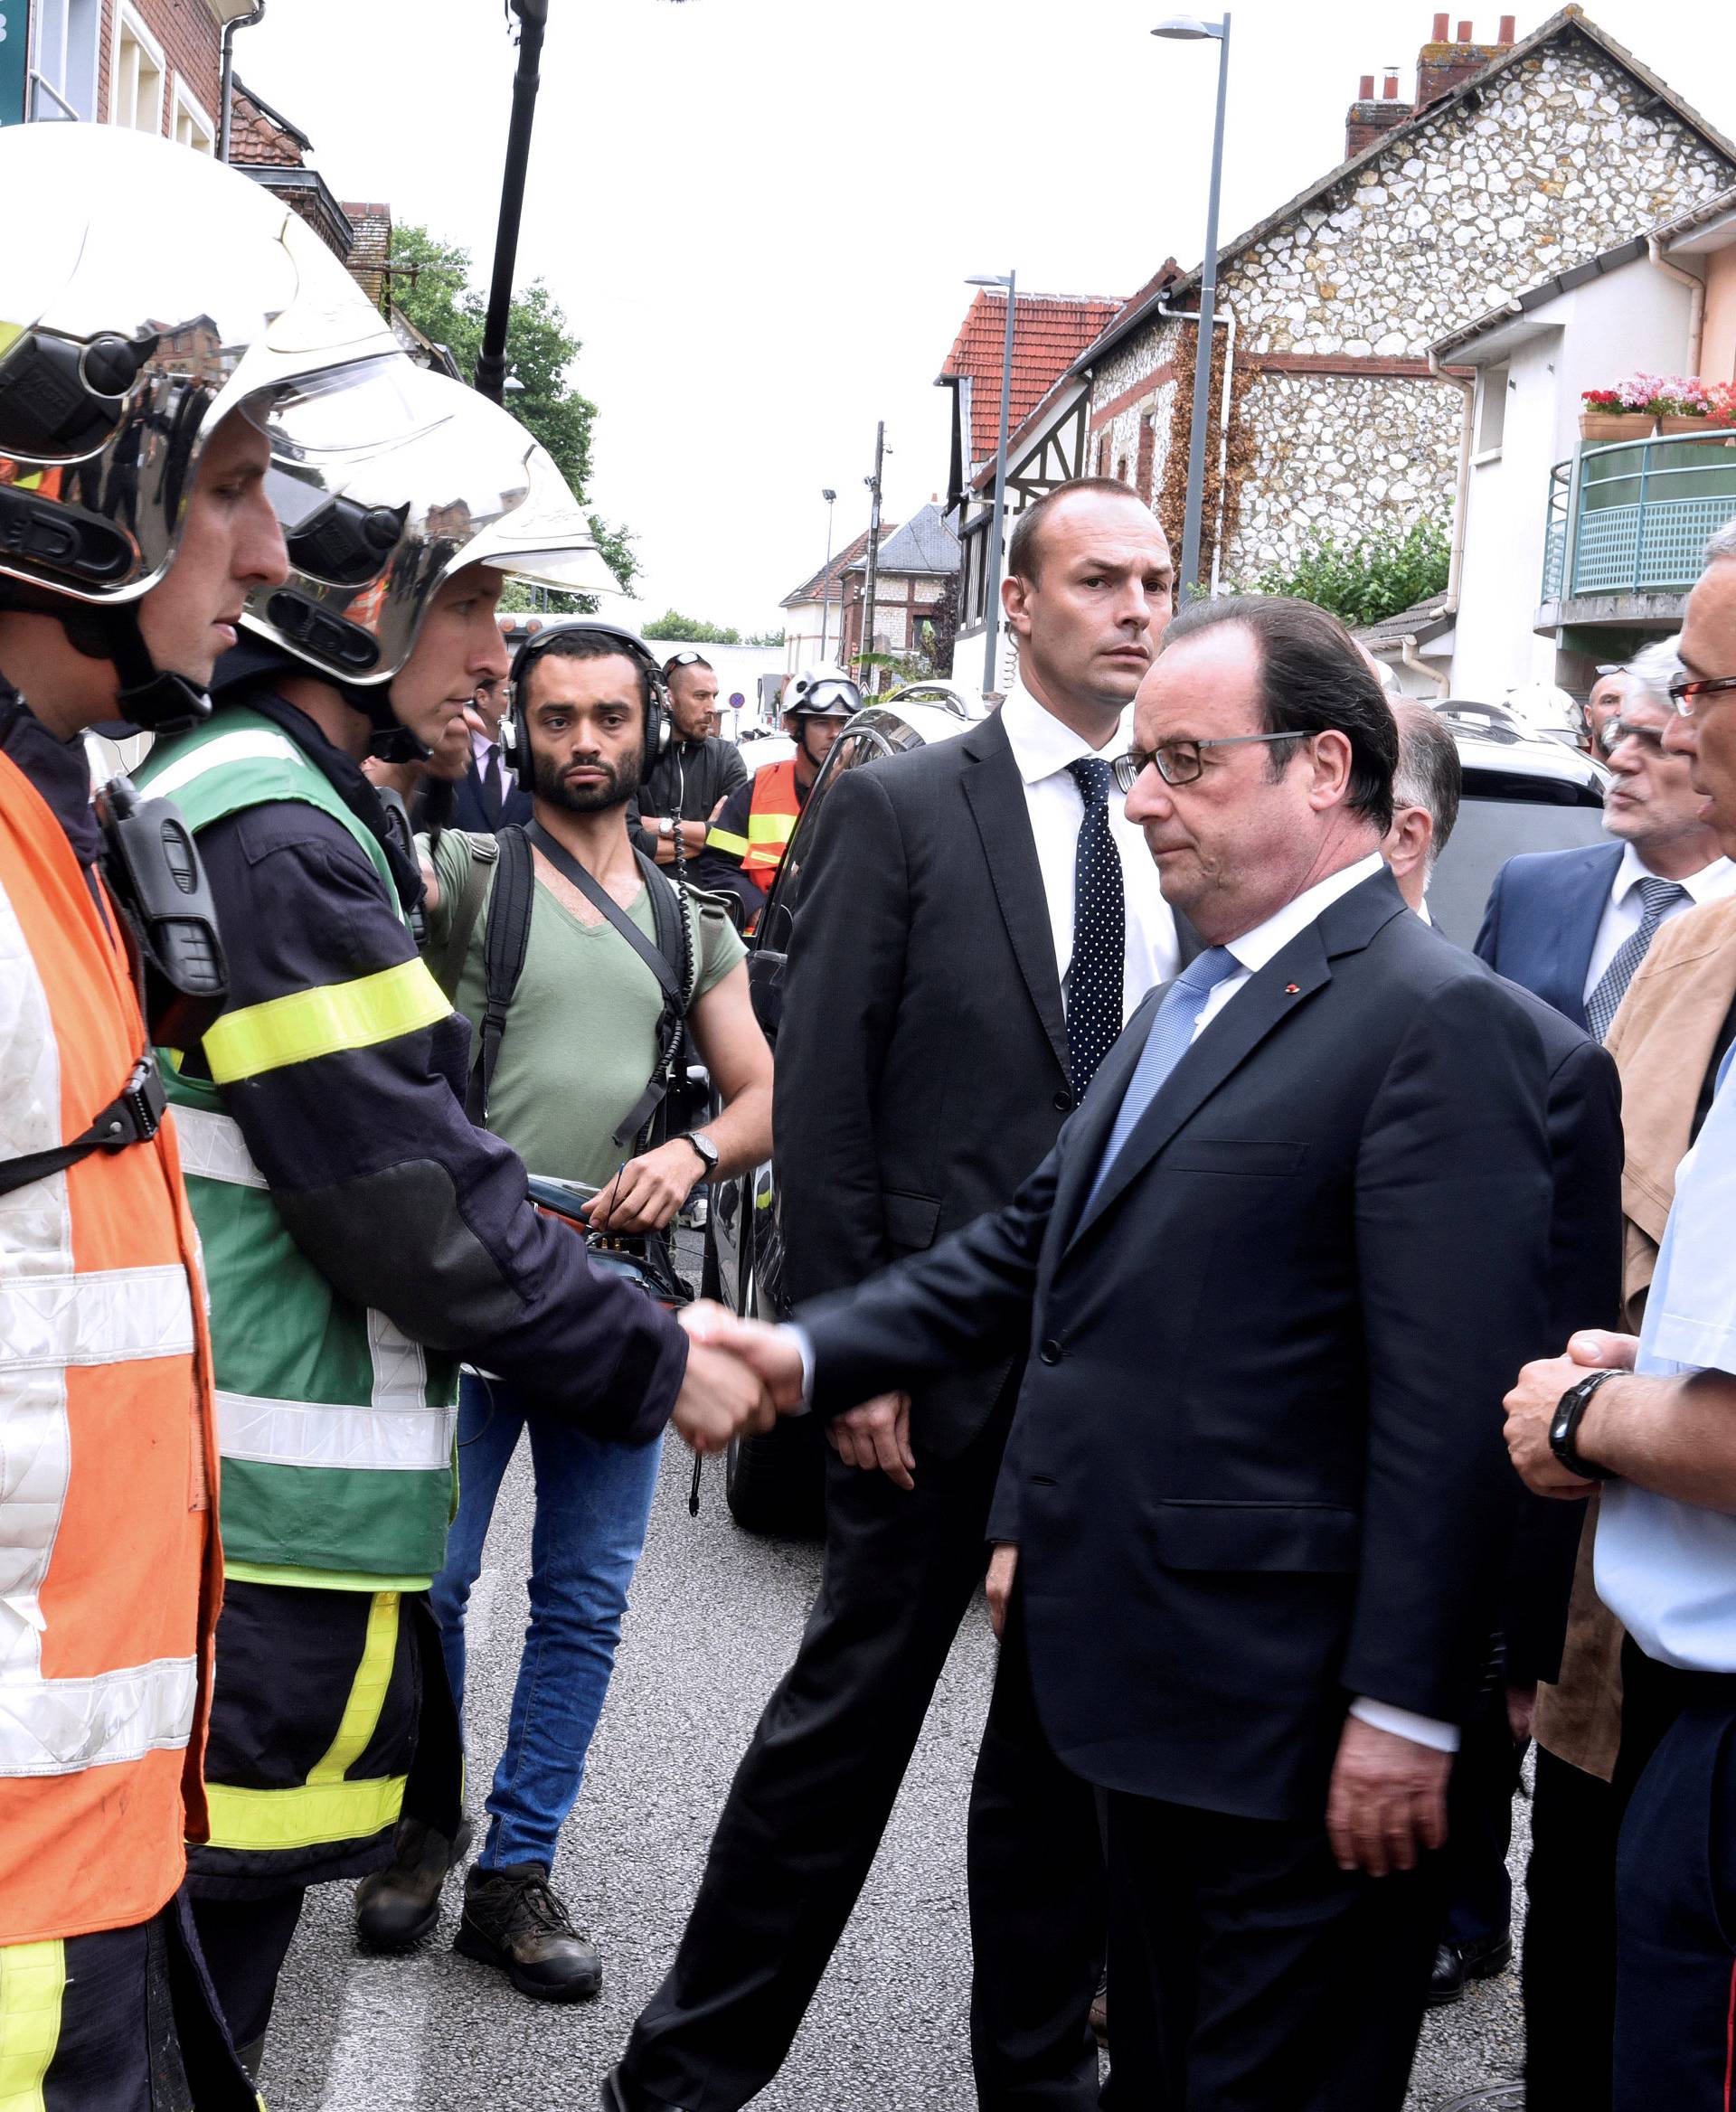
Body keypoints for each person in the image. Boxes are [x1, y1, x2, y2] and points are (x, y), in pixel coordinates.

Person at [693, 594, 1556, 2110]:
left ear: (1324, 768)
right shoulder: (1189, 1000)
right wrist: (801, 1352)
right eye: (1143, 759)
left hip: (1295, 1745)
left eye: (1184, 761)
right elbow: (1026, 1254)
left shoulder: (1440, 1027)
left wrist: (1412, 1708)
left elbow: (1445, 1418)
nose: (1141, 794)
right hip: (1142, 1714)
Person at [131, 366, 778, 2078]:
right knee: (197, 1982)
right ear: (365, 599)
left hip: (280, 1476)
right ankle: (437, 1847)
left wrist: (682, 1199)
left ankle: (508, 1857)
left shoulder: (301, 812)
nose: (499, 655)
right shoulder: (279, 829)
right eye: (474, 599)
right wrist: (653, 1351)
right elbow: (408, 1192)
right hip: (261, 1505)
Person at [609, 477, 1184, 2112]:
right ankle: (686, 2072)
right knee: (840, 1742)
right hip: (930, 1369)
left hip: (1100, 1387)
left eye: (1155, 580)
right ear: (1018, 601)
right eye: (1100, 579)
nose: (1136, 608)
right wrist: (850, 1356)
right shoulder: (908, 806)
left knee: (1058, 1767)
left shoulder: (1170, 815)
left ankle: (1033, 2079)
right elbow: (833, 1100)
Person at [0, 123, 412, 2108]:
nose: (268, 557)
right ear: (75, 493)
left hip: (81, 1828)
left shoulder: (57, 831)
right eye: (232, 485)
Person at [420, 622, 771, 2000]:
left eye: (608, 719)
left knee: (580, 1600)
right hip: (455, 1285)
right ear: (520, 726)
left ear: (649, 734)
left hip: (613, 1295)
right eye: (556, 716)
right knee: (427, 1581)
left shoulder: (694, 924)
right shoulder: (456, 876)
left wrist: (688, 1155)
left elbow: (762, 1100)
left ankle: (515, 1875)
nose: (583, 742)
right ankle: (416, 1826)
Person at [1504, 523, 1736, 2111]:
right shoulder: (1688, 951)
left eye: (1701, 685)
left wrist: (1590, 1414)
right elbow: (1603, 1258)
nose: (1668, 719)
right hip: (1624, 1668)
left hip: (1716, 1700)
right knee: (1581, 2013)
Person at [1382, 703, 1623, 2011]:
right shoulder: (1196, 1005)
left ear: (1401, 827)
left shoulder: (1544, 1065)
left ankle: (1458, 1909)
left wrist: (1528, 1628)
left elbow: (1553, 1336)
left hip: (1498, 1493)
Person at [1476, 636, 1734, 1035]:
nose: (1619, 760)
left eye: (1657, 744)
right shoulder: (1528, 889)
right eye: (1622, 735)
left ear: (1720, 758)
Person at [695, 665, 857, 926]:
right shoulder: (759, 788)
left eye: (843, 722)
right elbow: (718, 862)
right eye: (821, 722)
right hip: (768, 952)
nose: (835, 733)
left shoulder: (868, 796)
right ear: (794, 725)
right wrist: (756, 910)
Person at [626, 651, 747, 867]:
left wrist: (662, 826)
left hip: (711, 896)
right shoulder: (634, 755)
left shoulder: (726, 757)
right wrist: (708, 833)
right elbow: (630, 843)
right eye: (700, 696)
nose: (712, 708)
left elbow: (738, 841)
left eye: (714, 696)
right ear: (667, 699)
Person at [449, 669, 532, 832]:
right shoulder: (448, 752)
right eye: (509, 694)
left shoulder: (531, 758)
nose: (518, 703)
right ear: (482, 698)